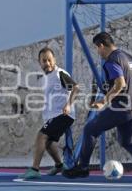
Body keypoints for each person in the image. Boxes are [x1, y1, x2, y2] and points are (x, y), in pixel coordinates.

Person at [62, 32, 132, 182]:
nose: (98, 52)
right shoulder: (126, 56)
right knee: (126, 141)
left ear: (101, 45)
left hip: (121, 108)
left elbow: (120, 84)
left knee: (90, 130)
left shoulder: (111, 61)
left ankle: (83, 168)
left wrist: (103, 101)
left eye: (97, 49)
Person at [19, 47, 79, 179]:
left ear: (54, 60)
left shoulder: (60, 73)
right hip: (53, 116)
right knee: (49, 143)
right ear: (40, 62)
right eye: (44, 61)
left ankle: (34, 169)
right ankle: (59, 165)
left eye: (50, 60)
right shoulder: (46, 78)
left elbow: (75, 87)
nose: (47, 63)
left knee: (41, 137)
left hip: (63, 115)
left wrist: (68, 104)